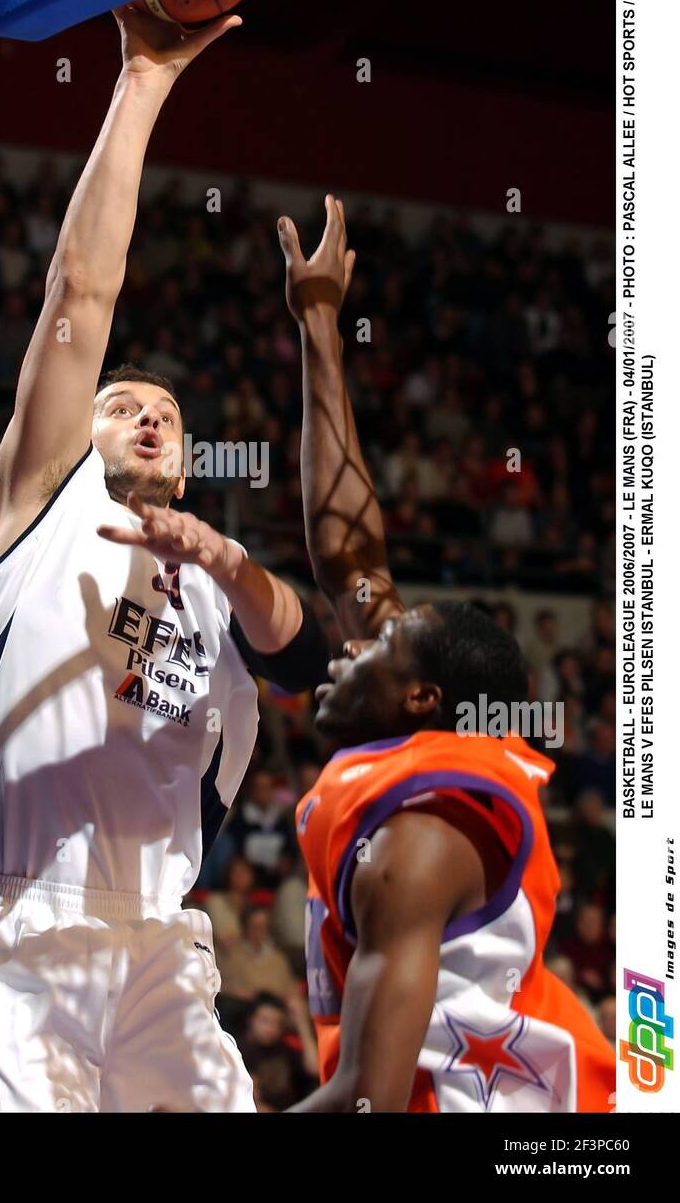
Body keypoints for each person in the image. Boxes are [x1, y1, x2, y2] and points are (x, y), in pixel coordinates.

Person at [0, 9, 329, 1115]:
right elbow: (78, 297)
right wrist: (142, 80)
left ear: (185, 465)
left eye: (166, 412)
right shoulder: (46, 501)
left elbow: (308, 653)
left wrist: (230, 558)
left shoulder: (215, 572)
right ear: (76, 436)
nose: (146, 417)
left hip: (159, 949)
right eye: (121, 405)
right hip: (18, 923)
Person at [275, 195, 615, 1112]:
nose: (348, 640)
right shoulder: (421, 751)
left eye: (377, 643)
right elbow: (352, 554)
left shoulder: (419, 837)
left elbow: (365, 1103)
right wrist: (317, 324)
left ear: (421, 699)